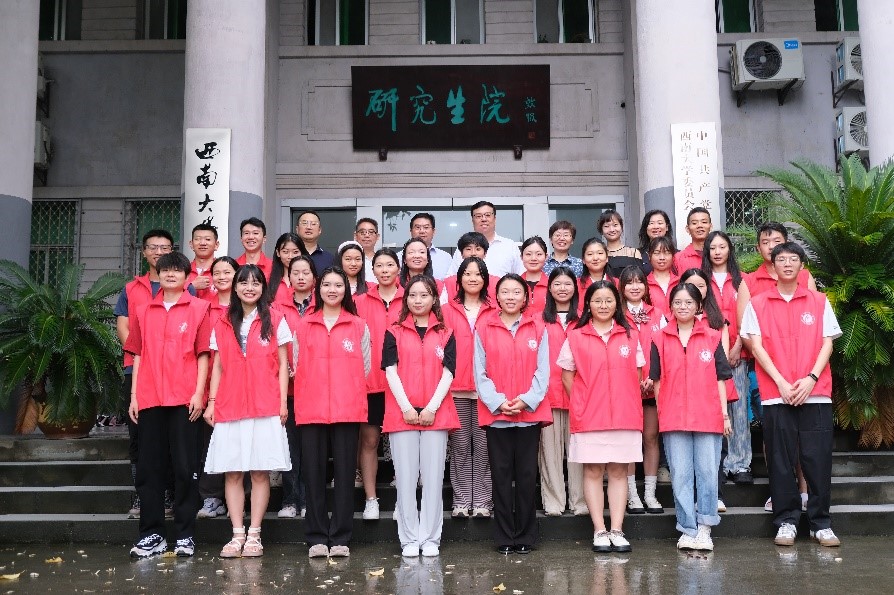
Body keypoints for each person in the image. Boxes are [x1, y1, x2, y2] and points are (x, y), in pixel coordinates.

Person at [741, 242, 842, 548]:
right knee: (781, 460)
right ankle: (786, 520)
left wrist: (811, 379)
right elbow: (756, 346)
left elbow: (828, 342)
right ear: (772, 266)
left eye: (793, 259)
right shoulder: (758, 303)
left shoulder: (819, 301)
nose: (787, 263)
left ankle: (821, 523)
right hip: (777, 393)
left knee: (817, 458)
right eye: (781, 259)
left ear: (801, 265)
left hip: (815, 392)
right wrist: (781, 383)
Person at [125, 251, 212, 558]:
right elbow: (138, 354)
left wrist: (199, 393)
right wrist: (135, 395)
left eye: (177, 270)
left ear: (188, 277)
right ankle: (152, 534)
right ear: (158, 275)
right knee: (149, 468)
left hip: (185, 398)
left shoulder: (200, 309)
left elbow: (204, 354)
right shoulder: (143, 310)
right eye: (165, 271)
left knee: (185, 468)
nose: (171, 274)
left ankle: (185, 534)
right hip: (150, 397)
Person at [203, 264, 291, 558]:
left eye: (255, 283)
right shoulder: (222, 320)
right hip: (230, 404)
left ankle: (255, 534)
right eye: (244, 283)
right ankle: (236, 534)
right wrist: (212, 401)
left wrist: (282, 402)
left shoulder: (275, 318)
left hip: (265, 404)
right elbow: (217, 365)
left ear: (263, 287)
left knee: (259, 472)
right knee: (232, 473)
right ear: (235, 287)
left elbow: (283, 365)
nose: (249, 288)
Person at [560, 281, 645, 553]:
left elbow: (638, 374)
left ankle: (617, 529)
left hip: (624, 414)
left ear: (617, 303)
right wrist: (583, 402)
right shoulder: (575, 336)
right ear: (588, 304)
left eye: (609, 300)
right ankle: (599, 530)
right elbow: (567, 376)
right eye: (597, 300)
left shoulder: (630, 334)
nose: (603, 305)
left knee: (619, 471)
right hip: (589, 416)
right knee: (593, 471)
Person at [736, 222, 816, 511]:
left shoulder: (805, 276)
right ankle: (780, 491)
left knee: (803, 433)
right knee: (774, 434)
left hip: (802, 370)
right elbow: (746, 332)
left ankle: (804, 491)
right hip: (766, 371)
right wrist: (772, 367)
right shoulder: (749, 281)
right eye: (766, 242)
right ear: (758, 248)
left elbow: (816, 322)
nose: (772, 247)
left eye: (777, 241)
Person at [293, 266, 371, 558]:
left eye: (338, 285)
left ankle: (340, 536)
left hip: (347, 407)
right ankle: (315, 536)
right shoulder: (304, 325)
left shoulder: (358, 325)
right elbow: (297, 364)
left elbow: (365, 366)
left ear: (346, 290)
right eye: (327, 284)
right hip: (311, 407)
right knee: (313, 474)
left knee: (344, 473)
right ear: (319, 288)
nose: (332, 290)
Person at [650, 283, 732, 552]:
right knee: (681, 475)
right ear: (670, 306)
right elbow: (657, 381)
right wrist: (662, 413)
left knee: (707, 472)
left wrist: (724, 415)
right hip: (673, 417)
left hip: (708, 416)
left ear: (698, 306)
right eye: (677, 302)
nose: (682, 307)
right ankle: (687, 528)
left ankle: (705, 527)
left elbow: (721, 379)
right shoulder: (659, 338)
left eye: (688, 302)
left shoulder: (712, 336)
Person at [383, 275, 460, 557]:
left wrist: (431, 408)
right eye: (413, 295)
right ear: (406, 299)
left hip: (435, 414)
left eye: (424, 295)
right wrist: (406, 407)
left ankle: (430, 537)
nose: (418, 300)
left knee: (432, 478)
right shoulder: (393, 331)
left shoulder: (446, 332)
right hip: (400, 414)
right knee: (405, 478)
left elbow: (449, 373)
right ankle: (408, 538)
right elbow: (390, 371)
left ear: (434, 299)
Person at [474, 274, 551, 554]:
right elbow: (479, 371)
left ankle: (526, 536)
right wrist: (498, 402)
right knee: (501, 476)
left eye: (516, 292)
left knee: (527, 476)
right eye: (505, 292)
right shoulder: (484, 327)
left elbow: (543, 371)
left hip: (528, 415)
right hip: (498, 416)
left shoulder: (537, 327)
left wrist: (526, 400)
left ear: (525, 297)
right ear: (496, 296)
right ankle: (505, 537)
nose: (510, 297)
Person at [114, 229, 183, 519]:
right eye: (153, 247)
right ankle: (143, 495)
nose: (158, 252)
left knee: (170, 436)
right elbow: (123, 327)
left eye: (164, 247)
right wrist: (145, 354)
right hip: (138, 369)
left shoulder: (183, 287)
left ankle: (168, 493)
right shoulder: (131, 288)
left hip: (175, 372)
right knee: (139, 435)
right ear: (144, 252)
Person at [441, 256, 495, 518]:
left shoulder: (495, 309)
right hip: (456, 388)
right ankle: (462, 500)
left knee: (484, 448)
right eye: (467, 274)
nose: (473, 279)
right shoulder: (445, 310)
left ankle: (483, 501)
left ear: (485, 279)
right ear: (459, 278)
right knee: (461, 446)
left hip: (487, 391)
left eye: (478, 274)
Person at [679, 267, 737, 512]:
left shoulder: (716, 319)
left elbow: (720, 363)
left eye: (701, 285)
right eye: (691, 284)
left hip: (714, 391)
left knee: (716, 448)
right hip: (684, 392)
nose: (696, 289)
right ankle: (693, 497)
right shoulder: (677, 317)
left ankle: (716, 495)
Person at [354, 249, 404, 520]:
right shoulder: (359, 301)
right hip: (369, 382)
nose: (385, 270)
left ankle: (404, 501)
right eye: (379, 266)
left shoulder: (411, 297)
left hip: (402, 384)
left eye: (390, 265)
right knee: (370, 441)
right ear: (372, 270)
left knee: (401, 444)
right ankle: (371, 499)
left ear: (398, 269)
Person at [703, 231, 753, 485]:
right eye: (713, 247)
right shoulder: (701, 280)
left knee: (739, 409)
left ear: (730, 250)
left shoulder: (741, 281)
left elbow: (748, 318)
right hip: (707, 355)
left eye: (722, 247)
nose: (717, 252)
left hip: (737, 353)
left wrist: (737, 346)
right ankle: (720, 463)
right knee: (715, 409)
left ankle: (740, 463)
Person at [538, 266, 586, 517]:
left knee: (579, 452)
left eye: (567, 284)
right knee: (550, 453)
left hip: (580, 395)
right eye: (557, 284)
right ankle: (554, 502)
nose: (562, 288)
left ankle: (581, 501)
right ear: (549, 288)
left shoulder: (585, 319)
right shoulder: (538, 320)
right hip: (548, 395)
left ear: (575, 288)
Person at [617, 265, 665, 515]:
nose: (634, 287)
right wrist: (634, 379)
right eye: (629, 282)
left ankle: (649, 493)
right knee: (629, 440)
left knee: (650, 438)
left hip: (652, 386)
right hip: (627, 388)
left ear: (646, 287)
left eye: (639, 282)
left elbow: (665, 349)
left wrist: (652, 377)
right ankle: (632, 495)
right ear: (622, 287)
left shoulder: (658, 314)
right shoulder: (616, 316)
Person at [274, 254, 318, 520]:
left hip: (315, 389)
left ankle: (310, 500)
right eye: (295, 272)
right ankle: (291, 500)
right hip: (286, 388)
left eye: (306, 272)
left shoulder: (323, 304)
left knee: (312, 448)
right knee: (289, 446)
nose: (301, 277)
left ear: (314, 277)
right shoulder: (277, 307)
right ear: (288, 277)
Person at [196, 256, 239, 520]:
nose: (222, 277)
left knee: (241, 442)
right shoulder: (203, 308)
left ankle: (241, 499)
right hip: (210, 385)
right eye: (218, 272)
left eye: (228, 272)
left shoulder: (247, 306)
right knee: (211, 443)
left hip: (241, 385)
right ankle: (211, 498)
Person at [449, 201, 523, 277]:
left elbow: (521, 276)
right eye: (478, 216)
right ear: (472, 221)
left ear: (494, 219)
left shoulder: (510, 246)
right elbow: (452, 277)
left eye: (487, 215)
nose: (484, 219)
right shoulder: (463, 248)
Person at [441, 232, 500, 303]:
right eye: (468, 249)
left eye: (478, 249)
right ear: (461, 254)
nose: (473, 253)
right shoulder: (449, 283)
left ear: (485, 253)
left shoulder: (496, 282)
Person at [407, 213, 453, 280]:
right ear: (411, 231)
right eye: (417, 227)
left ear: (433, 231)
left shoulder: (446, 257)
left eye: (426, 227)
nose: (422, 231)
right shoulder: (399, 257)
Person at [599, 210, 642, 277]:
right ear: (601, 230)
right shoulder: (599, 254)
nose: (612, 229)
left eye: (615, 225)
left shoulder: (634, 253)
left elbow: (640, 278)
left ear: (621, 227)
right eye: (606, 226)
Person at [267, 233, 306, 304]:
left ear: (302, 253)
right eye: (285, 252)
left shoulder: (310, 279)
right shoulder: (268, 279)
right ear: (278, 253)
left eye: (295, 252)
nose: (290, 256)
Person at [646, 236, 678, 320]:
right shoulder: (644, 284)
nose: (662, 258)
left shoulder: (680, 282)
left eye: (667, 253)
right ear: (649, 256)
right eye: (657, 253)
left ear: (673, 257)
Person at [187, 223, 220, 300]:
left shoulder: (224, 272)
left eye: (208, 239)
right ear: (191, 244)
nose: (202, 243)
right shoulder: (182, 271)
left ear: (216, 245)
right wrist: (191, 287)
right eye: (198, 239)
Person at [673, 208, 712, 272]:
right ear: (687, 229)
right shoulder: (678, 258)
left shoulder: (718, 255)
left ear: (711, 226)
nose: (699, 225)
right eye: (694, 223)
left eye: (704, 222)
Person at [520, 236, 549, 316]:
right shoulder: (515, 284)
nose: (533, 258)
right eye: (528, 254)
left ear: (546, 257)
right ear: (521, 257)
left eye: (539, 254)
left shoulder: (552, 285)